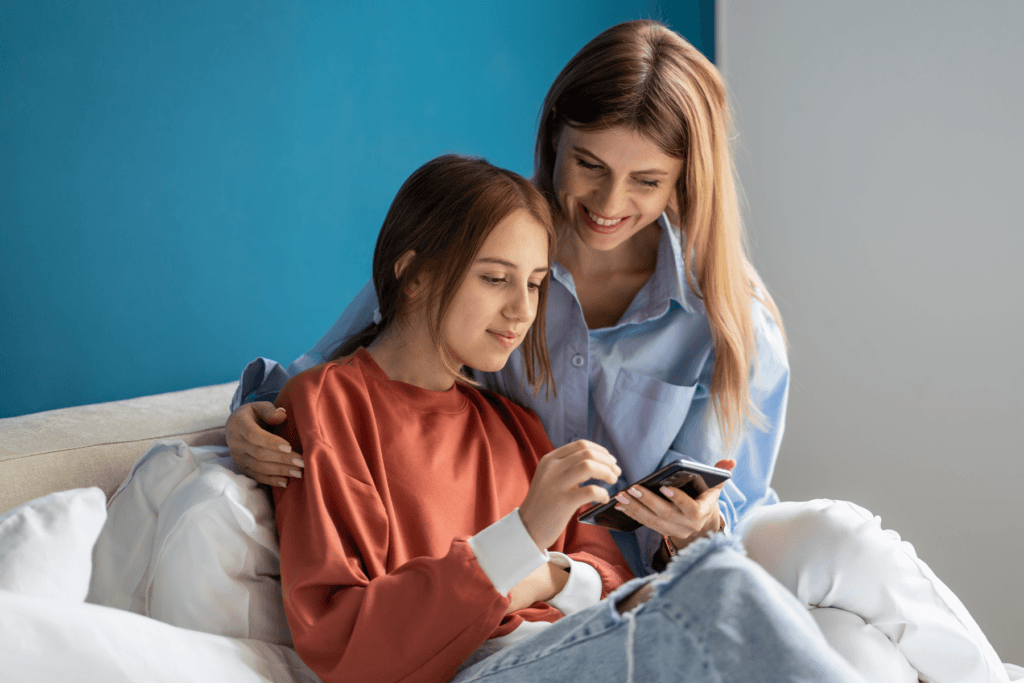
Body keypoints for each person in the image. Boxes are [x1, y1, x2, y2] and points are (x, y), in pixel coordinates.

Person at [231, 20, 1014, 682]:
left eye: (646, 180)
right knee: (844, 650)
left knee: (842, 539)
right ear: (556, 143)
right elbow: (347, 364)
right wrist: (252, 419)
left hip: (684, 551)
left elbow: (706, 522)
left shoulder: (727, 313)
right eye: (591, 167)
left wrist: (683, 530)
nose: (610, 204)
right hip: (561, 582)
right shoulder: (477, 252)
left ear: (683, 181)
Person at [271, 153, 863, 683]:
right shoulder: (329, 405)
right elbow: (345, 642)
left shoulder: (511, 424)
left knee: (736, 576)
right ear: (415, 274)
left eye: (533, 284)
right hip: (468, 668)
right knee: (721, 588)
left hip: (564, 645)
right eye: (495, 279)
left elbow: (606, 573)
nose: (521, 310)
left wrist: (545, 574)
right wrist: (523, 536)